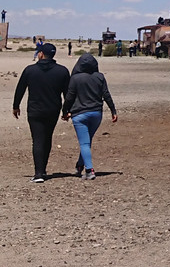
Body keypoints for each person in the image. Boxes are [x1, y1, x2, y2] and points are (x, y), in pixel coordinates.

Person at [12, 42, 70, 182]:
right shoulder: (62, 71)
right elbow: (68, 93)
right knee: (47, 138)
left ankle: (38, 174)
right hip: (53, 109)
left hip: (35, 110)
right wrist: (66, 110)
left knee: (38, 139)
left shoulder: (30, 70)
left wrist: (16, 106)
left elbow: (20, 89)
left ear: (41, 54)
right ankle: (42, 170)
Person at [61, 53, 118, 180]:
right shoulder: (100, 77)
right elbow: (106, 95)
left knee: (85, 143)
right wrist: (113, 111)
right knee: (87, 141)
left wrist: (65, 112)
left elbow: (69, 97)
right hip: (96, 114)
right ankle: (80, 165)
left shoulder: (75, 78)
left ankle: (89, 170)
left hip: (79, 114)